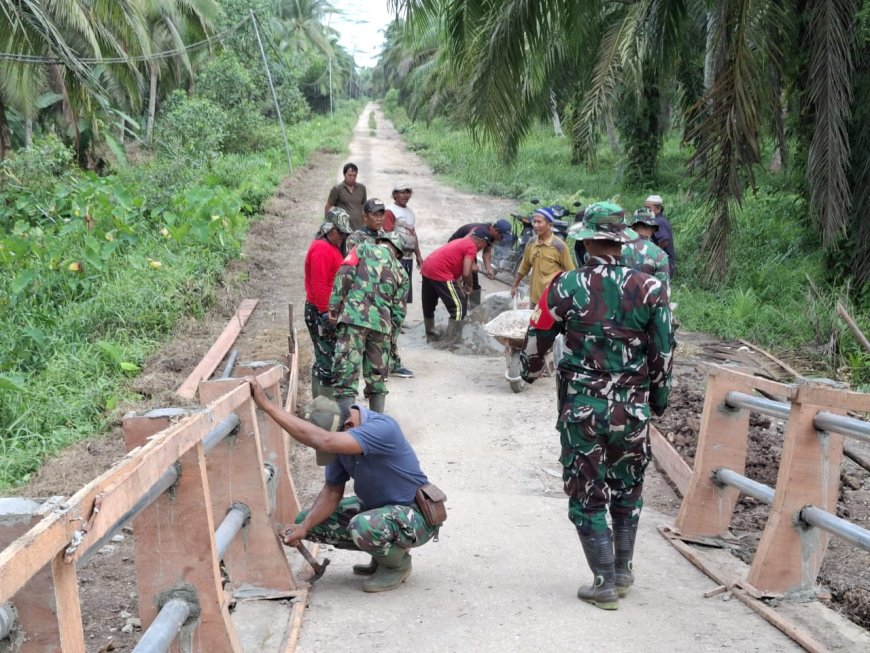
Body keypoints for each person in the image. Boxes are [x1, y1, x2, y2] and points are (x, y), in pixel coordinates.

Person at [521, 201, 673, 611]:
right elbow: (663, 352)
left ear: (587, 241)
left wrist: (529, 370)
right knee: (627, 488)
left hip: (583, 409)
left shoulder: (566, 285)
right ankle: (622, 571)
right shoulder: (650, 288)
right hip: (632, 409)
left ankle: (603, 581)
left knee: (586, 491)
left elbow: (538, 335)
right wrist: (657, 400)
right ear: (621, 242)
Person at [247, 377, 438, 593]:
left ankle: (397, 565)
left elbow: (324, 441)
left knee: (363, 526)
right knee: (307, 521)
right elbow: (332, 491)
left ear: (348, 425)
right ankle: (382, 555)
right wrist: (304, 527)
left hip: (415, 515)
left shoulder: (382, 427)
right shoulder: (343, 437)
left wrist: (267, 405)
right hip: (382, 511)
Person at [329, 232, 409, 417]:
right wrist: (391, 339)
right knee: (377, 379)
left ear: (380, 241)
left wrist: (334, 305)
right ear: (398, 253)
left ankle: (347, 424)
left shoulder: (362, 249)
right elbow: (399, 312)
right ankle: (376, 424)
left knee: (346, 373)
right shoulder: (401, 271)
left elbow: (344, 274)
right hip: (382, 326)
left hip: (353, 320)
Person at [304, 208, 353, 398]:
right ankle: (324, 407)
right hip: (321, 311)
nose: (343, 237)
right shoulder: (322, 249)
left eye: (344, 233)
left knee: (323, 358)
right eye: (340, 232)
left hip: (326, 310)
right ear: (329, 229)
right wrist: (326, 313)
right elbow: (319, 284)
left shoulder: (330, 247)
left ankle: (319, 402)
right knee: (328, 361)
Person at [419, 228, 491, 347]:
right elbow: (466, 272)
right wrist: (469, 285)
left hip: (428, 267)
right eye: (485, 245)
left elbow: (456, 271)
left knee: (429, 304)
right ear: (481, 241)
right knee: (459, 307)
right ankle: (453, 341)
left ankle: (430, 335)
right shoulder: (471, 247)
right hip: (440, 271)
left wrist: (460, 289)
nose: (483, 248)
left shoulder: (461, 241)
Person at [384, 183, 423, 379]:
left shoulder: (410, 213)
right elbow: (388, 235)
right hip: (397, 257)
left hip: (407, 257)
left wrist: (419, 255)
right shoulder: (390, 211)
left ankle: (399, 319)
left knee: (404, 292)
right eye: (401, 192)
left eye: (408, 192)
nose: (405, 195)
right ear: (395, 194)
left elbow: (413, 235)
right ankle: (392, 320)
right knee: (394, 291)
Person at [510, 207, 575, 305]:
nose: (535, 225)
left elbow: (571, 273)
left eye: (539, 222)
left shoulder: (559, 246)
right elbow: (524, 266)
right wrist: (515, 285)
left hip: (551, 302)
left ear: (550, 225)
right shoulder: (531, 242)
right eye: (534, 221)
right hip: (534, 300)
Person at [448, 219, 514, 306]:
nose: (503, 239)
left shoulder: (492, 236)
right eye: (502, 236)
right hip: (455, 249)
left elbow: (487, 252)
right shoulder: (480, 232)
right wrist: (472, 264)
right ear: (496, 231)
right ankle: (459, 304)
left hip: (468, 251)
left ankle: (474, 307)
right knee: (462, 277)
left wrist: (488, 269)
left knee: (473, 280)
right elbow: (463, 246)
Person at [620, 208, 669, 286]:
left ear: (633, 226)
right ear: (653, 229)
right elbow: (663, 289)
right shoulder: (660, 255)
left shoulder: (617, 247)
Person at [325, 163, 367, 230]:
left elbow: (364, 206)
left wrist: (365, 223)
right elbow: (328, 206)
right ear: (344, 174)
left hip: (359, 227)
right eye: (349, 175)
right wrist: (327, 224)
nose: (352, 178)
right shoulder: (337, 189)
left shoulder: (362, 188)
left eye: (354, 175)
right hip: (342, 228)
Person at [644, 194, 675, 278]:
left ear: (658, 208)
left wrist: (653, 254)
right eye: (645, 207)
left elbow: (664, 240)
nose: (646, 210)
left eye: (649, 208)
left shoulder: (658, 221)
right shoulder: (661, 219)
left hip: (663, 265)